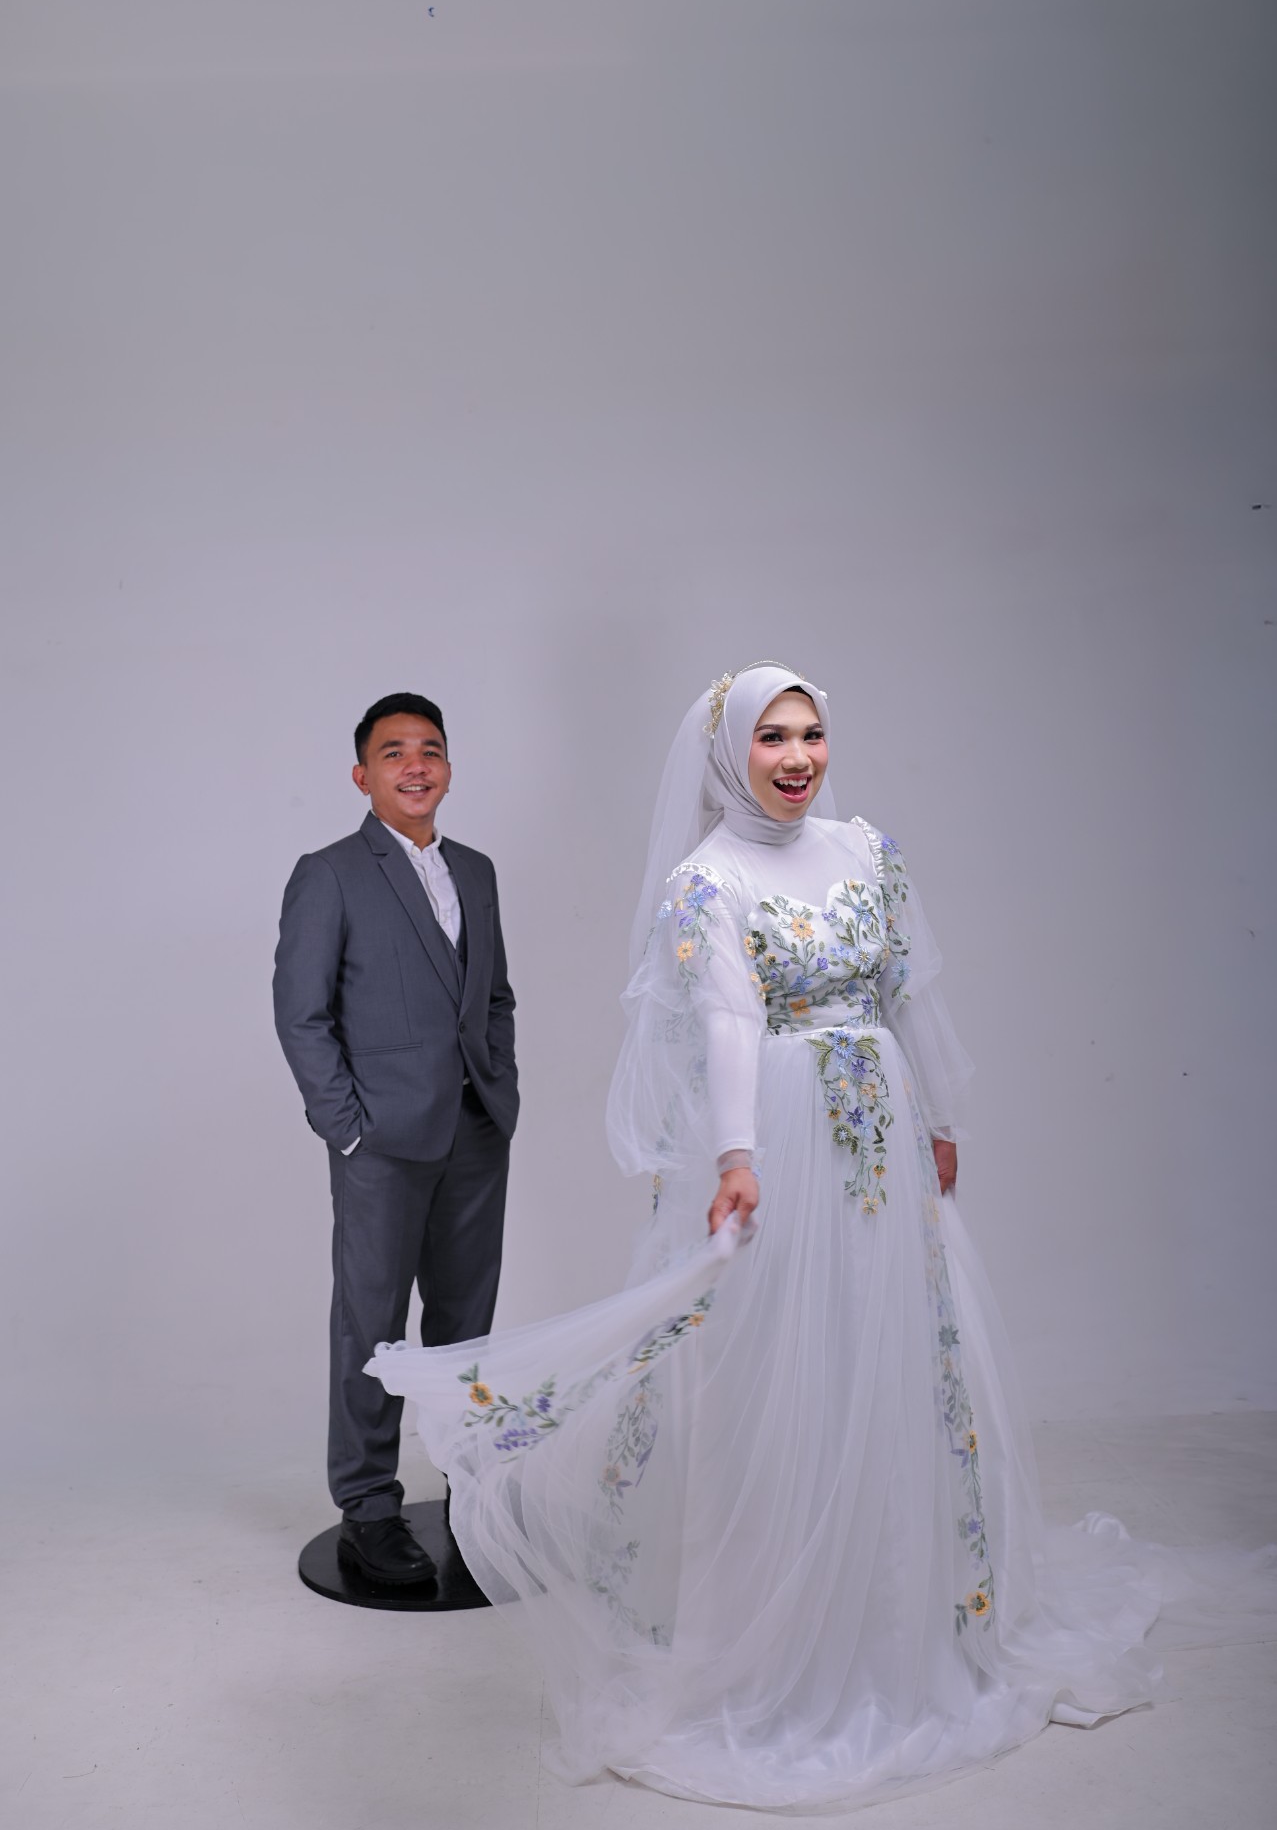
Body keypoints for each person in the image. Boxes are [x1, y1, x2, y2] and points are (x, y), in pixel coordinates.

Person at [366, 662, 1270, 1808]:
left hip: (882, 1130)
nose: (795, 758)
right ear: (727, 754)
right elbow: (725, 1022)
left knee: (890, 1347)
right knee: (778, 1357)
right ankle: (783, 1611)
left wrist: (939, 1116)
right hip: (786, 1133)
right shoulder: (706, 880)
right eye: (770, 738)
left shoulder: (863, 850)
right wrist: (736, 1156)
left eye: (809, 734)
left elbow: (906, 992)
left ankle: (903, 1604)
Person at [274, 691, 518, 1587]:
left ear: (447, 768)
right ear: (362, 775)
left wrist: (499, 1087)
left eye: (430, 750)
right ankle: (369, 1508)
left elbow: (493, 996)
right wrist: (346, 1131)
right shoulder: (330, 873)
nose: (415, 765)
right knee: (371, 1327)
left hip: (475, 1132)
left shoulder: (477, 871)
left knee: (464, 1328)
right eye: (393, 752)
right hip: (379, 1142)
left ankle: (469, 1495)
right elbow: (301, 1015)